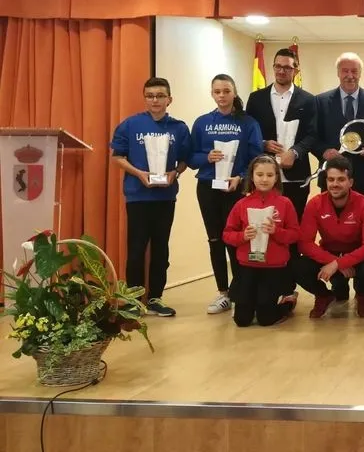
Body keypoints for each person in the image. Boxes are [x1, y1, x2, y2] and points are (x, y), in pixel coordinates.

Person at [109, 77, 191, 317]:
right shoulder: (130, 125)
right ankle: (134, 301)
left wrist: (174, 173)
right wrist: (139, 173)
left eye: (160, 96)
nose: (155, 100)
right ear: (144, 98)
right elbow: (117, 156)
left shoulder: (179, 127)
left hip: (165, 198)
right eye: (150, 96)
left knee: (160, 249)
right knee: (135, 250)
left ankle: (155, 298)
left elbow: (186, 160)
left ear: (169, 99)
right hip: (138, 196)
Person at [189, 74, 263, 315]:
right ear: (212, 94)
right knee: (215, 239)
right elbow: (190, 158)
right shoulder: (201, 123)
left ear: (234, 93)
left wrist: (241, 176)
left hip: (236, 188)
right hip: (208, 186)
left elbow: (256, 156)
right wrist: (205, 158)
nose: (222, 96)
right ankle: (222, 292)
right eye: (217, 91)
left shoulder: (248, 122)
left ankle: (240, 289)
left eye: (226, 91)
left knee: (238, 238)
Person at [291, 156, 364, 319]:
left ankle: (363, 296)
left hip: (357, 256)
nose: (335, 184)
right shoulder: (315, 204)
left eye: (341, 179)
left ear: (350, 182)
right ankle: (323, 295)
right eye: (331, 179)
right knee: (297, 265)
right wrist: (333, 262)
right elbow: (304, 243)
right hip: (329, 254)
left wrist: (340, 263)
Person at [221, 155, 300, 327]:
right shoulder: (241, 204)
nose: (264, 179)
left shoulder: (285, 203)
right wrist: (243, 236)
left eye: (270, 175)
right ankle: (254, 303)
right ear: (252, 176)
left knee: (266, 319)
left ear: (276, 177)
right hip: (247, 266)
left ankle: (288, 301)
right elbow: (227, 235)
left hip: (273, 267)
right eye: (260, 174)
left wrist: (276, 232)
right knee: (241, 321)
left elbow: (295, 234)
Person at [245, 48, 318, 219]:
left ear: (295, 70)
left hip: (297, 176)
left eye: (286, 67)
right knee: (263, 226)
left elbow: (313, 134)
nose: (281, 71)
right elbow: (248, 133)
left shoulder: (308, 100)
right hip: (263, 175)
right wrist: (263, 143)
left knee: (293, 228)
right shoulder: (256, 98)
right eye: (277, 66)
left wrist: (295, 152)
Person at [314, 52, 364, 198]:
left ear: (360, 73)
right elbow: (313, 136)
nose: (350, 75)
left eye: (354, 71)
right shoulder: (320, 101)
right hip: (331, 177)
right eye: (345, 71)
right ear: (338, 73)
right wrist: (324, 152)